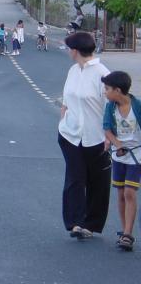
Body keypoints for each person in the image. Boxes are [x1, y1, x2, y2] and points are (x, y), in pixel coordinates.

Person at [58, 31, 111, 241]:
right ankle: (75, 222)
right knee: (75, 179)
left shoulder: (102, 74)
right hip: (70, 134)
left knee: (98, 181)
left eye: (69, 48)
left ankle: (92, 224)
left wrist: (109, 135)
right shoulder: (73, 70)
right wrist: (62, 121)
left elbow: (109, 107)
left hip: (95, 136)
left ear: (76, 50)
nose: (68, 51)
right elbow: (66, 100)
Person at [102, 71, 141, 251]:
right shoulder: (110, 108)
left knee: (129, 193)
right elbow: (107, 128)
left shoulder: (138, 106)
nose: (105, 92)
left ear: (118, 90)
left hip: (137, 156)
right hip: (120, 155)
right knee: (120, 194)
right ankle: (125, 230)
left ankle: (128, 233)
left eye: (107, 89)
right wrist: (116, 144)